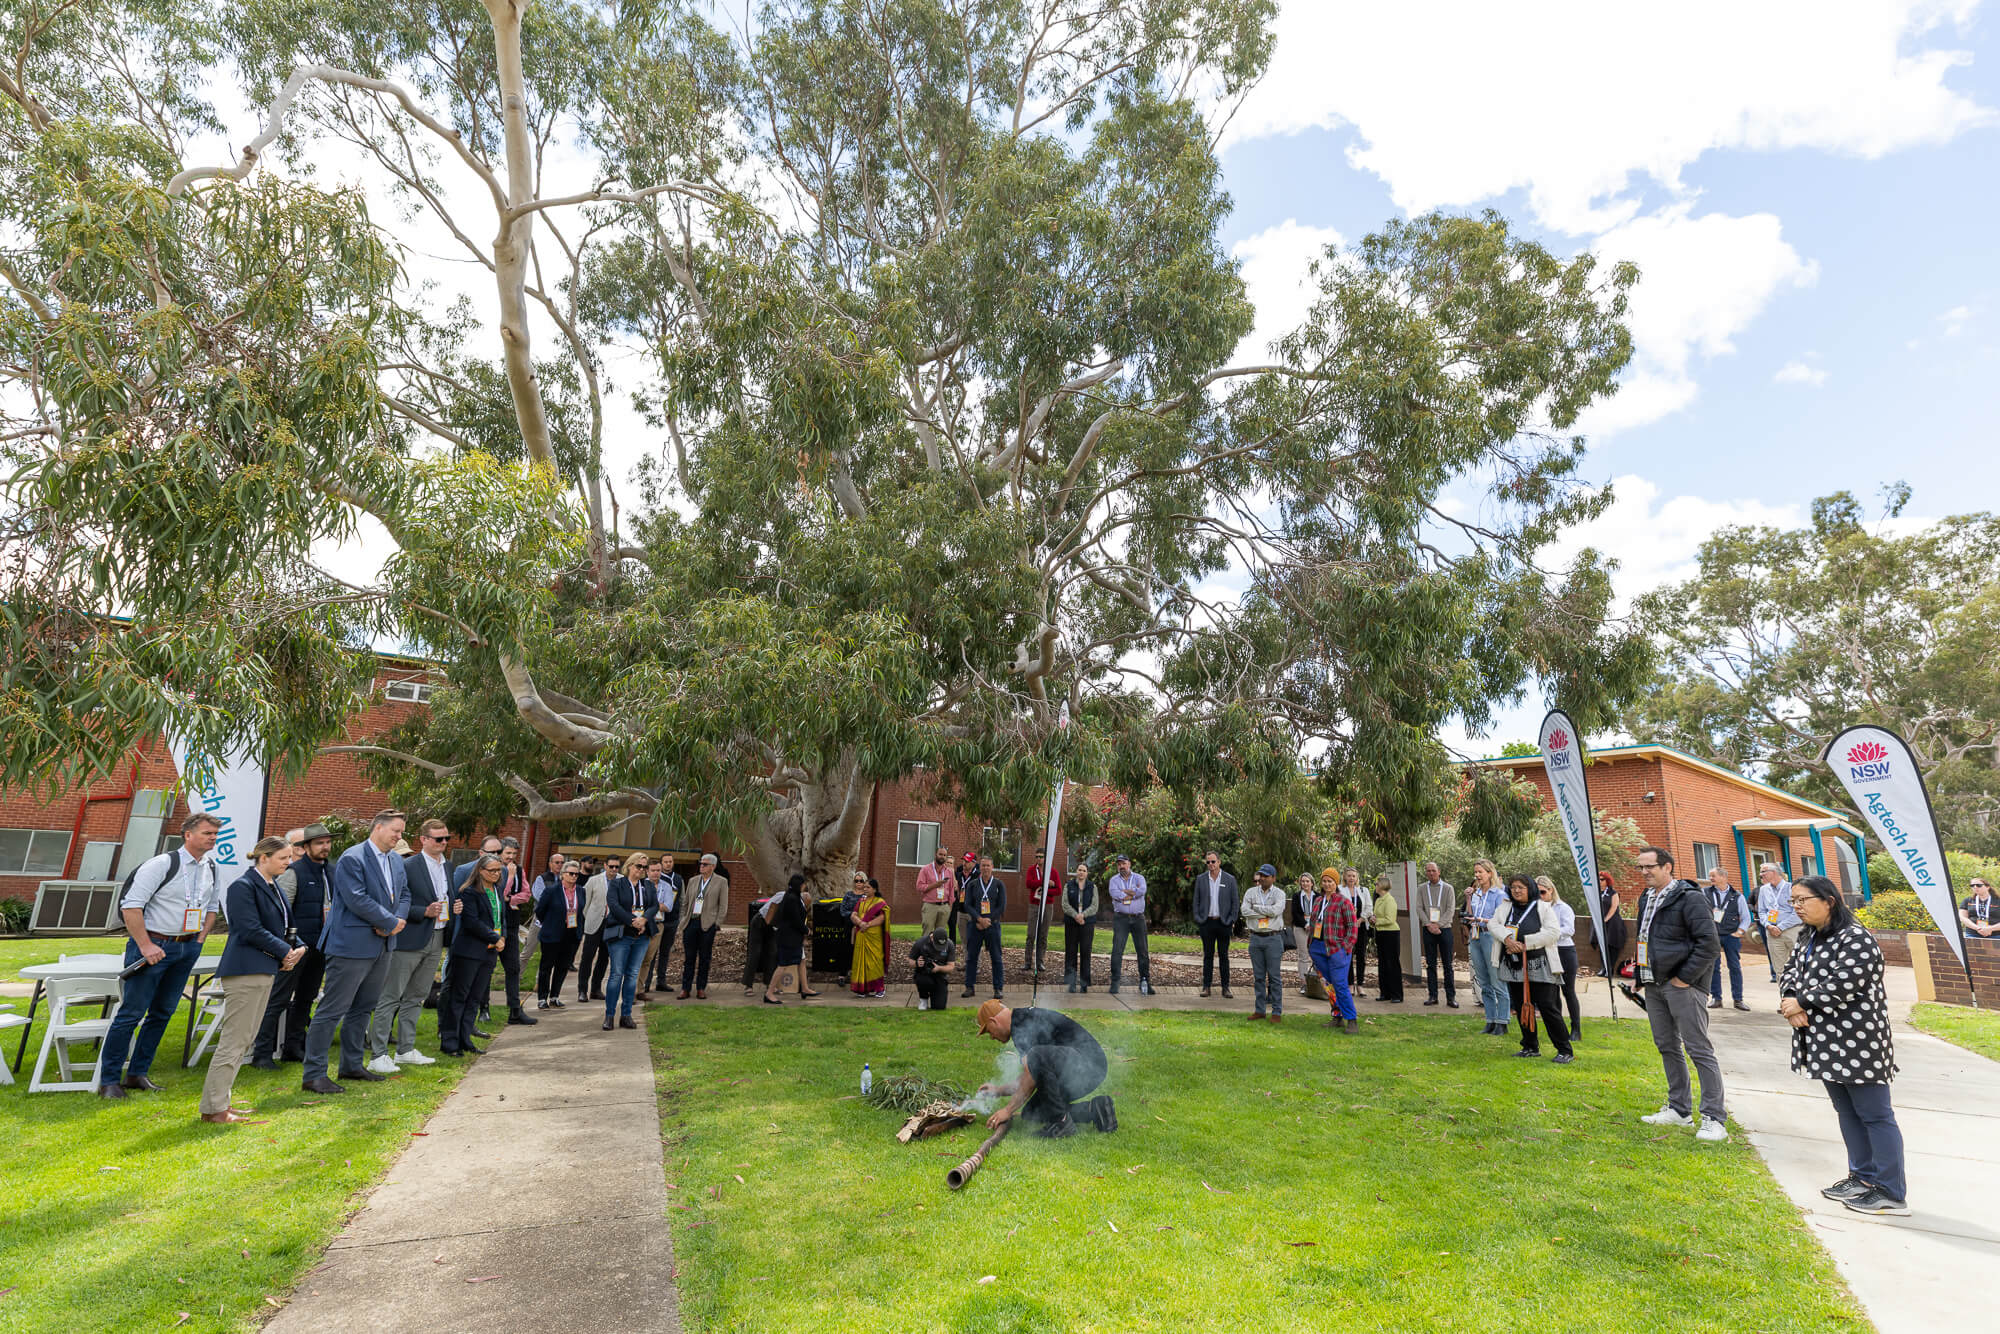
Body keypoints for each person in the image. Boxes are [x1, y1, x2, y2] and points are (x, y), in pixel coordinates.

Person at [1780, 875, 1907, 1216]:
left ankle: (1890, 1190)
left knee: (1875, 1115)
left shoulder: (1856, 937)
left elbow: (1845, 983)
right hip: (1824, 1040)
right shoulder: (1809, 936)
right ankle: (1862, 1176)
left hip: (1858, 1042)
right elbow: (1789, 971)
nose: (1797, 907)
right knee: (1847, 1111)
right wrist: (1791, 999)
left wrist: (1801, 1002)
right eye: (1794, 901)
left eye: (1803, 900)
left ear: (1829, 900)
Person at [97, 812, 225, 1098]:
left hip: (186, 947)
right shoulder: (162, 864)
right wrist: (145, 945)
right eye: (207, 833)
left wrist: (199, 940)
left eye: (215, 834)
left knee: (163, 1012)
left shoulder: (212, 867)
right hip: (153, 946)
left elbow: (213, 907)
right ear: (188, 834)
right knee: (131, 1013)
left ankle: (137, 1074)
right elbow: (131, 907)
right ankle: (109, 1081)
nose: (213, 838)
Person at [200, 836, 307, 1123]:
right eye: (283, 857)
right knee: (235, 1040)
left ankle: (222, 1102)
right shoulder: (243, 887)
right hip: (245, 970)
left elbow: (286, 926)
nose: (289, 862)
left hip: (265, 968)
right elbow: (249, 929)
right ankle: (213, 1109)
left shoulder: (274, 888)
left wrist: (298, 948)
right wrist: (285, 951)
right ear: (264, 857)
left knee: (245, 1039)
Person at [302, 810, 410, 1094]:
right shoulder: (353, 858)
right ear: (377, 828)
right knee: (332, 1009)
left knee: (364, 1007)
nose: (399, 837)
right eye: (396, 831)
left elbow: (405, 894)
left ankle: (351, 1065)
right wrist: (387, 922)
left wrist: (395, 922)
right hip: (351, 945)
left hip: (384, 945)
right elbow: (355, 897)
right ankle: (314, 1074)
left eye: (401, 832)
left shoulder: (396, 860)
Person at [1632, 846, 1728, 1142]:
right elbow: (1644, 938)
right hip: (1653, 983)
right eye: (1641, 867)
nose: (1645, 872)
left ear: (1668, 867)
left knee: (1698, 1049)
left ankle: (1714, 1118)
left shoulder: (1690, 898)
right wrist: (1639, 975)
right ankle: (1679, 1110)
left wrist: (1684, 979)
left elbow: (1709, 945)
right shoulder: (1646, 897)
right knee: (1667, 1046)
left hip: (1683, 986)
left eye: (1650, 866)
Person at [364, 818, 450, 1074]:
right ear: (423, 839)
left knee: (416, 996)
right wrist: (422, 911)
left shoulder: (448, 866)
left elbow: (447, 897)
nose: (443, 843)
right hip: (409, 938)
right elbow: (396, 901)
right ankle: (378, 1053)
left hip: (437, 937)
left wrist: (453, 907)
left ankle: (405, 1050)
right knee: (391, 996)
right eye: (438, 839)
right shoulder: (408, 866)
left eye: (446, 838)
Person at [251, 823, 332, 1068]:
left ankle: (293, 1046)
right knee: (278, 998)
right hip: (293, 948)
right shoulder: (293, 872)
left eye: (328, 842)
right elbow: (281, 914)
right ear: (305, 847)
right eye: (319, 843)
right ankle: (262, 1053)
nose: (325, 847)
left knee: (306, 998)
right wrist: (287, 948)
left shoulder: (332, 871)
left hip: (321, 946)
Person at [973, 1000, 1117, 1138]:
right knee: (1032, 1112)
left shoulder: (1022, 1025)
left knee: (1036, 1055)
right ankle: (1096, 1109)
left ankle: (1061, 1122)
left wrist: (1007, 1110)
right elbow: (1029, 1076)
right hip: (1081, 1068)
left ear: (993, 1021)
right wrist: (998, 1091)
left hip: (1089, 1065)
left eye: (989, 1031)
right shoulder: (1019, 1022)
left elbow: (1032, 1069)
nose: (992, 1037)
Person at [1494, 874, 1574, 1063]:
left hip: (1540, 964)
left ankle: (1564, 1050)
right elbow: (1493, 924)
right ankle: (1530, 1046)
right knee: (1522, 1006)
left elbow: (1553, 933)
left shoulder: (1543, 907)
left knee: (1548, 1007)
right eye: (1513, 887)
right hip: (1513, 964)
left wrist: (1525, 944)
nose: (1516, 890)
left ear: (1530, 889)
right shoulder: (1506, 907)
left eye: (1521, 887)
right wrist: (1507, 938)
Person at [441, 854, 505, 1053]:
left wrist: (501, 938)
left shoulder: (497, 890)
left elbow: (500, 918)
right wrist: (494, 938)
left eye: (498, 870)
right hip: (469, 951)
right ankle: (450, 1042)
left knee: (474, 998)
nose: (496, 874)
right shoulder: (469, 892)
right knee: (459, 997)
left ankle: (465, 1039)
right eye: (491, 870)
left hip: (489, 953)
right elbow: (471, 922)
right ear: (480, 871)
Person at [601, 854, 656, 1029]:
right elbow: (614, 905)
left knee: (632, 975)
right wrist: (634, 920)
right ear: (630, 866)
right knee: (617, 974)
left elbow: (654, 905)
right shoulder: (618, 883)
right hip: (621, 934)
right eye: (639, 866)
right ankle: (609, 1015)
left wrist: (644, 920)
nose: (641, 870)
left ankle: (626, 1015)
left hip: (641, 936)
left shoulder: (647, 885)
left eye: (644, 867)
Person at [1304, 868, 1359, 1033]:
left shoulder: (1343, 902)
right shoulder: (1318, 901)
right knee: (1329, 984)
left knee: (1340, 984)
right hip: (1318, 948)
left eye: (1330, 881)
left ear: (1336, 883)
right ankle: (1337, 1017)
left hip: (1337, 949)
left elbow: (1352, 927)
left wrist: (1346, 948)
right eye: (1325, 881)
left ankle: (1352, 1020)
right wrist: (1311, 945)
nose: (1327, 884)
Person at [1464, 860, 1509, 1034]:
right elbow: (1470, 914)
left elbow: (1501, 920)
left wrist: (1483, 921)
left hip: (1491, 936)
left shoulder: (1499, 894)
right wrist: (1468, 898)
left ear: (1490, 873)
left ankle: (1502, 1021)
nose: (1477, 875)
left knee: (1496, 979)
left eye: (1480, 872)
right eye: (1475, 872)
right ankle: (1490, 1020)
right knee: (1483, 981)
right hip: (1475, 935)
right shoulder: (1476, 894)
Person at [1536, 877, 1583, 1040]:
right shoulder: (1536, 908)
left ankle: (1576, 1029)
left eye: (1543, 892)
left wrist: (1549, 932)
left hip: (1564, 951)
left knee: (1568, 991)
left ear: (1551, 891)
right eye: (1537, 892)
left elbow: (1569, 929)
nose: (1540, 895)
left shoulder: (1563, 908)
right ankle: (1559, 1028)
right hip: (1546, 950)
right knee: (1551, 991)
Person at [497, 837, 537, 1026]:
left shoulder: (519, 870)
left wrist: (509, 899)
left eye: (514, 854)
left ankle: (515, 1010)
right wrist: (510, 879)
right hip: (493, 925)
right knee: (485, 968)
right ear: (500, 852)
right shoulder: (492, 868)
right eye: (508, 853)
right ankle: (484, 1009)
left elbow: (526, 895)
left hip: (511, 925)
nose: (511, 857)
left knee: (513, 968)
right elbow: (498, 893)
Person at [677, 853, 728, 999]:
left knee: (705, 958)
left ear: (713, 866)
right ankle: (685, 988)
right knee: (689, 958)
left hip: (707, 924)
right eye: (700, 863)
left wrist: (717, 923)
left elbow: (723, 905)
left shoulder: (721, 882)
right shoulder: (693, 880)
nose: (701, 866)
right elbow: (685, 902)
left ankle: (701, 988)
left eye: (704, 864)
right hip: (691, 922)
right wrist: (683, 920)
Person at [1191, 850, 1240, 1000]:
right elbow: (1196, 901)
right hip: (1207, 923)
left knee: (1224, 956)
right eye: (1208, 862)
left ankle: (1226, 987)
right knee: (1208, 956)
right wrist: (1199, 918)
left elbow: (1235, 902)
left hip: (1223, 923)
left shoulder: (1229, 879)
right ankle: (1207, 986)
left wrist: (1231, 920)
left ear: (1219, 862)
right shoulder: (1201, 879)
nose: (1210, 865)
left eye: (1213, 861)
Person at [1241, 864, 1288, 1022]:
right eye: (1261, 875)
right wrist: (1266, 910)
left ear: (1273, 878)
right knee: (1258, 977)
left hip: (1273, 938)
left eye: (1266, 876)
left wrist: (1257, 908)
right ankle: (1259, 1010)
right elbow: (1244, 911)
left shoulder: (1279, 893)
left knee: (1274, 977)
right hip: (1255, 938)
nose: (1262, 878)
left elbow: (1276, 911)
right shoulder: (1250, 892)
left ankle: (1276, 1012)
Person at [535, 863, 586, 1007]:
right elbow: (540, 911)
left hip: (571, 933)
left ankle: (555, 996)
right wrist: (551, 923)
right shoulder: (551, 891)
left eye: (576, 874)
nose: (574, 876)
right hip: (552, 933)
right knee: (546, 966)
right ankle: (542, 998)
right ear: (563, 874)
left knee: (562, 966)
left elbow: (581, 911)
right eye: (571, 873)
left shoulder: (581, 891)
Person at [959, 855, 1008, 999]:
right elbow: (967, 905)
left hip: (993, 926)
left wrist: (988, 920)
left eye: (988, 865)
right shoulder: (973, 884)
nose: (985, 868)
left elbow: (1002, 906)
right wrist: (979, 919)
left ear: (992, 867)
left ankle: (998, 988)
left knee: (997, 958)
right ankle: (969, 987)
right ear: (979, 868)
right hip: (975, 926)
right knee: (971, 957)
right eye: (983, 865)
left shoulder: (999, 885)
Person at [1106, 853, 1154, 996]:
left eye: (1123, 863)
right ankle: (1115, 982)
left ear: (1129, 864)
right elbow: (1116, 894)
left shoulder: (1139, 878)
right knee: (1117, 951)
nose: (1121, 866)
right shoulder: (1114, 880)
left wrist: (1126, 892)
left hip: (1138, 919)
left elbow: (1142, 891)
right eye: (1119, 864)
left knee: (1143, 951)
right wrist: (1132, 893)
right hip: (1121, 919)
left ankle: (1145, 981)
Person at [1705, 867, 1753, 1012]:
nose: (1710, 878)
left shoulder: (1737, 895)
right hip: (1712, 935)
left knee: (1735, 967)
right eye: (1710, 876)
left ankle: (1738, 999)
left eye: (1713, 876)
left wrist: (1740, 932)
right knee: (1713, 967)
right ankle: (1716, 998)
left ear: (1723, 877)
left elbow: (1746, 917)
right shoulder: (1705, 893)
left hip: (1731, 936)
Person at [576, 854, 617, 1002]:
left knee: (604, 958)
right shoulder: (594, 880)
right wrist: (587, 918)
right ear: (605, 866)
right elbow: (584, 903)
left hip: (611, 925)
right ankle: (582, 990)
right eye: (611, 866)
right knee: (587, 958)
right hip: (594, 924)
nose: (613, 869)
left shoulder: (621, 880)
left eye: (616, 867)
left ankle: (596, 989)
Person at [1416, 861, 1458, 1008]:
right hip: (1428, 930)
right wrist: (1429, 924)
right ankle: (1433, 996)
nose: (1431, 873)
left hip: (1444, 929)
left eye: (1433, 870)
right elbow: (1419, 908)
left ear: (1439, 871)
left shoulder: (1448, 888)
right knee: (1430, 964)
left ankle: (1451, 997)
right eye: (1428, 871)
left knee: (1448, 964)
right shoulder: (1421, 888)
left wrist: (1438, 925)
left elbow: (1450, 909)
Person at [642, 857, 683, 996]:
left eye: (658, 871)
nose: (656, 873)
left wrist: (651, 905)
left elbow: (669, 906)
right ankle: (645, 984)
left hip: (664, 923)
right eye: (653, 870)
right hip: (646, 924)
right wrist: (657, 905)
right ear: (647, 871)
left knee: (664, 953)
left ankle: (661, 982)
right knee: (648, 956)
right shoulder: (642, 885)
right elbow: (639, 906)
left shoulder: (667, 885)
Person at [1757, 862, 1802, 978]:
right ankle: (1785, 994)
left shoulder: (1792, 888)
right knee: (1779, 968)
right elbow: (1761, 911)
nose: (1760, 875)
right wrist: (1768, 925)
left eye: (1763, 872)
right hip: (1772, 932)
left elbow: (1797, 912)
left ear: (1774, 872)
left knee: (1801, 963)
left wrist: (1780, 927)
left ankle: (1803, 994)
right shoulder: (1763, 890)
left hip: (1792, 930)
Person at [848, 874, 890, 998]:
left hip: (874, 937)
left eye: (868, 887)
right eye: (864, 887)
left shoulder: (880, 902)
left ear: (875, 889)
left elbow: (883, 918)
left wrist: (868, 924)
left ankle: (879, 989)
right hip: (861, 935)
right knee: (860, 961)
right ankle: (862, 989)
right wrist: (860, 923)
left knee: (875, 962)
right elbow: (853, 915)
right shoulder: (861, 901)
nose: (865, 889)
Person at [1062, 863, 1098, 993]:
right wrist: (1075, 915)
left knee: (1085, 952)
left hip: (1087, 924)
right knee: (1071, 952)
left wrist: (1083, 915)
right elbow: (1065, 904)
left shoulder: (1092, 887)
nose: (1081, 872)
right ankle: (1071, 983)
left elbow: (1095, 906)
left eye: (1084, 870)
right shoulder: (1069, 885)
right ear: (1076, 871)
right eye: (1079, 870)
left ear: (1087, 873)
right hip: (1072, 924)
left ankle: (1084, 983)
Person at [1372, 873, 1403, 1003]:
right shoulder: (1379, 899)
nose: (1375, 886)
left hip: (1391, 934)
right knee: (1383, 964)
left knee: (1392, 964)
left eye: (1377, 884)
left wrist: (1376, 921)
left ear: (1382, 886)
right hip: (1380, 933)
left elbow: (1390, 919)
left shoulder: (1390, 900)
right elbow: (1376, 916)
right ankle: (1385, 993)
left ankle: (1397, 994)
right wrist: (1372, 920)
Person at [910, 928, 957, 1010]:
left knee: (939, 1007)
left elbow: (951, 967)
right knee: (922, 980)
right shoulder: (921, 943)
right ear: (932, 938)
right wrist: (917, 963)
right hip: (924, 974)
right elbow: (910, 962)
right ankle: (923, 999)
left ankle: (935, 996)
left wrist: (939, 968)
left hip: (940, 975)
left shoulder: (950, 944)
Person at [916, 843, 956, 936]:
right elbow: (919, 887)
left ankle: (938, 951)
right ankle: (925, 950)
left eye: (944, 855)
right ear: (935, 855)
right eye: (940, 854)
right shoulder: (925, 869)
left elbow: (951, 890)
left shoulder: (948, 872)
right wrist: (935, 885)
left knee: (940, 934)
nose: (942, 857)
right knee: (927, 933)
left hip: (944, 906)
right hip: (930, 906)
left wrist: (949, 906)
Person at [1342, 868, 1373, 989]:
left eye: (1353, 876)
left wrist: (1360, 919)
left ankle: (1360, 984)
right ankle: (1350, 984)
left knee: (1361, 955)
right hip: (1346, 928)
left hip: (1361, 927)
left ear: (1357, 878)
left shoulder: (1363, 890)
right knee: (1348, 954)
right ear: (1345, 877)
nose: (1351, 878)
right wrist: (1350, 922)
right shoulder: (1340, 890)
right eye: (1349, 876)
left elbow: (1369, 907)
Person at [1025, 856, 1055, 977]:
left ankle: (1040, 962)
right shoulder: (1031, 870)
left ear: (1045, 858)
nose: (1039, 859)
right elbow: (1029, 883)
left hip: (1047, 906)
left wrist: (1047, 890)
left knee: (1043, 935)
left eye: (1041, 857)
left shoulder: (1052, 871)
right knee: (1031, 935)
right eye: (1036, 856)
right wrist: (1045, 882)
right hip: (1034, 905)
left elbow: (1058, 890)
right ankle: (1027, 962)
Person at [1596, 871, 1628, 982]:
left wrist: (1605, 920)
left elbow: (1614, 908)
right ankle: (1603, 967)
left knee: (1612, 945)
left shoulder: (1613, 893)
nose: (1600, 882)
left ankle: (1610, 969)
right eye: (1599, 879)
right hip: (1601, 923)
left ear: (1607, 881)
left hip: (1613, 923)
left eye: (1602, 880)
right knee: (1602, 945)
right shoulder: (1597, 893)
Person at [1291, 872, 1320, 995]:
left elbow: (1321, 912)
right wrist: (1305, 924)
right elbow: (1295, 913)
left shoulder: (1318, 896)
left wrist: (1313, 925)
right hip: (1300, 928)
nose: (1305, 883)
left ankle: (1317, 982)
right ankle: (1303, 983)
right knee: (1303, 956)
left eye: (1307, 881)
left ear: (1312, 883)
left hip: (1316, 928)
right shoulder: (1297, 896)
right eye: (1302, 881)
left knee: (1317, 955)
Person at [1958, 875, 1997, 940]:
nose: (1975, 887)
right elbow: (1962, 917)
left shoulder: (1997, 900)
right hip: (1972, 934)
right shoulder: (1967, 900)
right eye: (1972, 886)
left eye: (1978, 885)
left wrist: (1990, 928)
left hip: (1996, 935)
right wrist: (1978, 928)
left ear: (1987, 887)